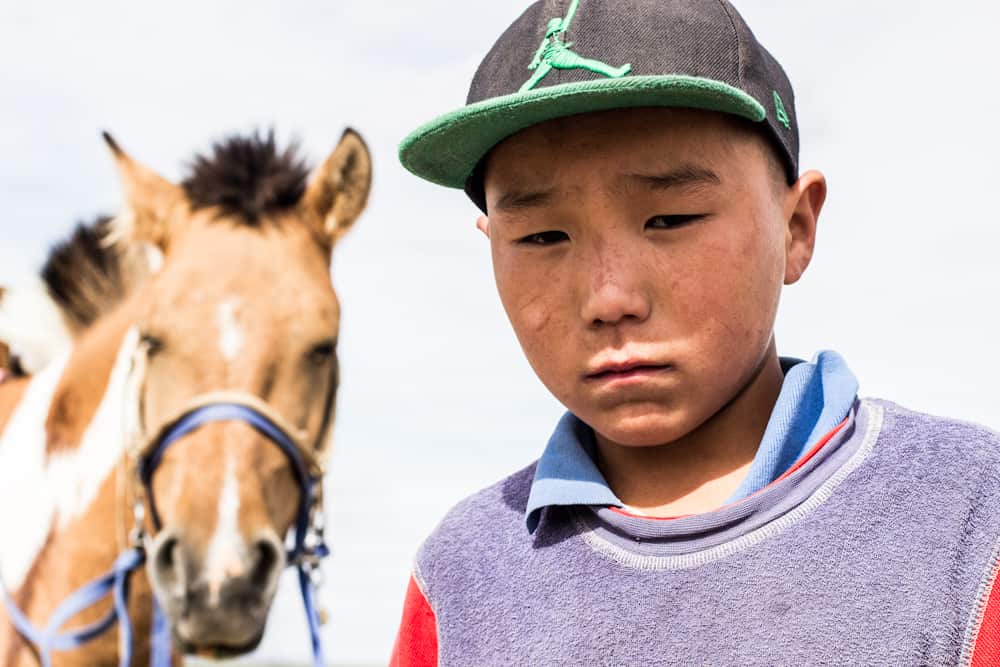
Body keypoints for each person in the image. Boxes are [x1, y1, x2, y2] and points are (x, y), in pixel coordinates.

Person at [391, 1, 1000, 664]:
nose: (609, 297)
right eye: (543, 236)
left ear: (795, 229)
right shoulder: (461, 578)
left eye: (670, 219)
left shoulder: (967, 521)